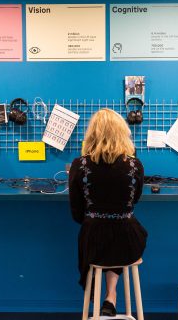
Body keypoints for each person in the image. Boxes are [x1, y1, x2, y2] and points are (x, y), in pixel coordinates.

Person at [69, 108, 148, 317]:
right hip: (128, 240)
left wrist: (97, 219)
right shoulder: (135, 165)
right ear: (122, 132)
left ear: (92, 134)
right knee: (119, 236)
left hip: (94, 239)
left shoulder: (80, 165)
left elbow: (76, 212)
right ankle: (110, 296)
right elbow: (134, 200)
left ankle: (105, 298)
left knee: (100, 239)